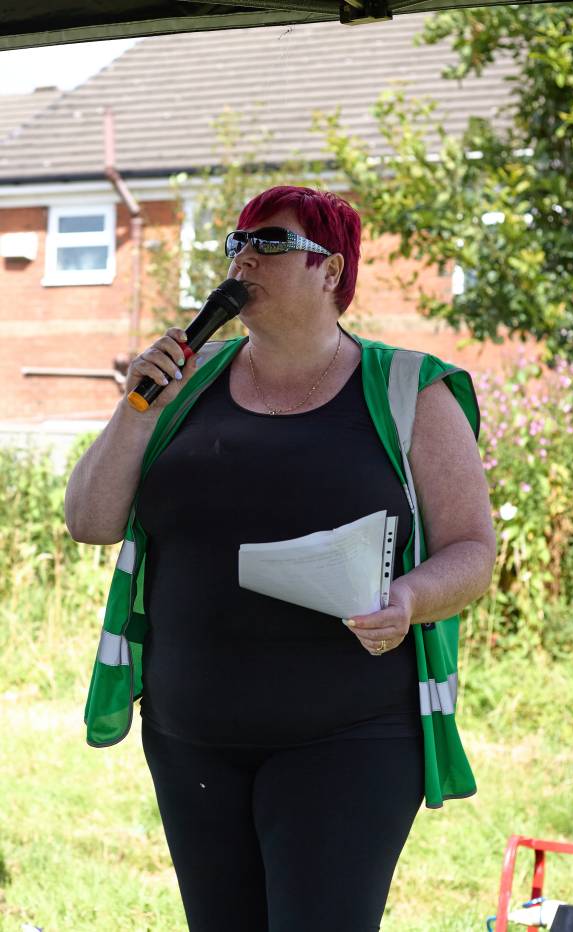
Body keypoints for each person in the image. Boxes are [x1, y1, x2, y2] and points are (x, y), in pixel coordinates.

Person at [65, 185, 497, 932]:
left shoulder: (409, 392)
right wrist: (135, 410)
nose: (243, 259)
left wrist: (410, 600)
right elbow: (89, 522)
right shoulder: (186, 386)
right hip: (190, 736)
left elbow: (473, 551)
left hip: (350, 737)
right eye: (236, 242)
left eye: (268, 244)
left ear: (330, 272)